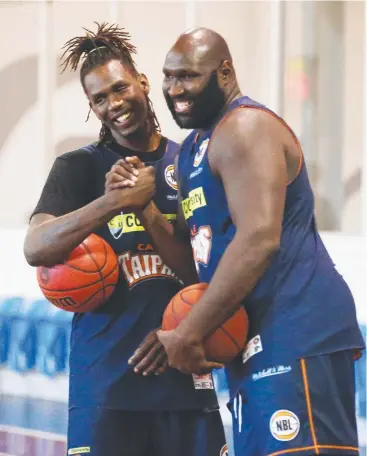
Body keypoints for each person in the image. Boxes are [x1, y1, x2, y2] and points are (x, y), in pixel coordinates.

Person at [114, 28, 365, 456]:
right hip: (253, 339)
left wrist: (189, 332)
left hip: (295, 330)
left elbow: (259, 238)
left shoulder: (246, 128)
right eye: (168, 77)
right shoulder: (195, 148)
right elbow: (196, 262)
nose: (175, 90)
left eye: (189, 77)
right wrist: (146, 210)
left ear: (225, 72)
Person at [23, 23, 227, 456]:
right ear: (91, 106)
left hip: (183, 380)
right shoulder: (77, 168)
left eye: (120, 88)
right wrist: (112, 202)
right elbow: (36, 247)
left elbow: (202, 270)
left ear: (143, 82)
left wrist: (147, 210)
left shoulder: (190, 162)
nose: (114, 104)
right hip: (105, 385)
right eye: (100, 98)